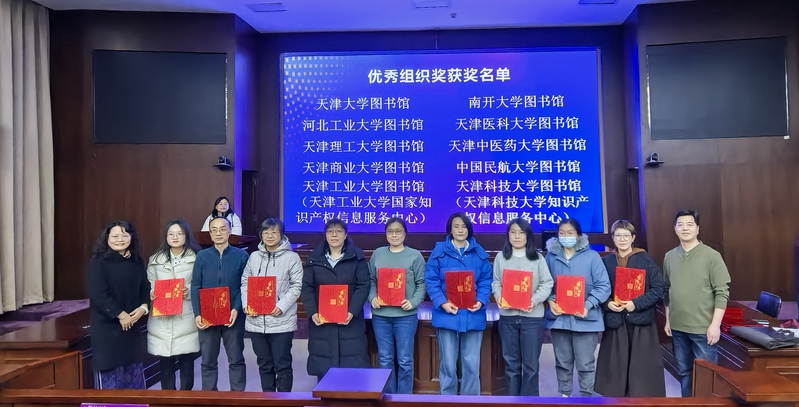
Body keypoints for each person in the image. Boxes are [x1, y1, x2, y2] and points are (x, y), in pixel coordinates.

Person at [663, 209, 731, 397]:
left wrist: (715, 325)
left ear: (697, 229)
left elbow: (722, 292)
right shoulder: (669, 257)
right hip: (678, 327)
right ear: (675, 229)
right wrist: (668, 320)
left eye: (689, 224)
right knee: (684, 372)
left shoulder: (712, 256)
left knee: (706, 376)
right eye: (681, 225)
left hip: (703, 328)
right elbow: (666, 290)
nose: (685, 228)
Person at [594, 220, 666, 397]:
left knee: (641, 368)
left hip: (640, 319)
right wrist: (607, 303)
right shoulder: (607, 261)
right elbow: (599, 288)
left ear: (633, 238)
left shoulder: (645, 259)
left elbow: (659, 288)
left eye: (626, 235)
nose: (622, 239)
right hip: (616, 320)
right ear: (613, 238)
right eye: (618, 235)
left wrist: (636, 304)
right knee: (614, 367)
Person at [424, 212, 492, 395]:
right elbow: (431, 280)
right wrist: (442, 303)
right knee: (447, 363)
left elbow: (486, 280)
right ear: (450, 230)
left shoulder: (479, 253)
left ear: (469, 229)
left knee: (471, 363)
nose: (460, 230)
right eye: (456, 226)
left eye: (464, 226)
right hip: (447, 314)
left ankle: (471, 401)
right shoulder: (439, 252)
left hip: (473, 314)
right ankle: (447, 400)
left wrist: (481, 300)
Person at [545, 218, 610, 397]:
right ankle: (565, 396)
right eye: (562, 233)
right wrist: (550, 300)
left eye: (570, 233)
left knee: (585, 363)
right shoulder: (551, 257)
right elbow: (545, 284)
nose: (566, 236)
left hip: (586, 320)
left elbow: (603, 286)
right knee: (562, 363)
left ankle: (586, 398)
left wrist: (587, 305)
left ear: (579, 235)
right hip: (560, 319)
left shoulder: (592, 257)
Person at [301, 218, 370, 380]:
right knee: (324, 365)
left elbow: (363, 285)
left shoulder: (356, 257)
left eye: (338, 231)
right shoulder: (314, 258)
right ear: (325, 235)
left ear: (345, 235)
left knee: (352, 366)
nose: (334, 235)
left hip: (350, 319)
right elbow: (307, 287)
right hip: (321, 320)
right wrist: (312, 312)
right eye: (330, 231)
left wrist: (352, 311)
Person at [491, 218, 554, 396]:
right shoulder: (501, 257)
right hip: (508, 317)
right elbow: (496, 282)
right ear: (508, 235)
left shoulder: (538, 258)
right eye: (513, 232)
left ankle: (530, 402)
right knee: (511, 364)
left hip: (532, 319)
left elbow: (547, 283)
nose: (517, 236)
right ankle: (512, 401)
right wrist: (499, 296)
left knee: (531, 365)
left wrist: (534, 300)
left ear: (528, 236)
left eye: (521, 233)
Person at [86, 221, 150, 389]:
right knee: (111, 386)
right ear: (107, 238)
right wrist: (121, 315)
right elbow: (99, 294)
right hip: (107, 329)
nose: (120, 239)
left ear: (131, 237)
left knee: (134, 380)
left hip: (132, 328)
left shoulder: (136, 261)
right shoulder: (99, 262)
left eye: (124, 235)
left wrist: (143, 308)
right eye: (115, 236)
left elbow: (145, 287)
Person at [241, 218, 303, 392]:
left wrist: (281, 306)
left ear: (281, 234)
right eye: (266, 232)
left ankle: (284, 402)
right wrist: (247, 304)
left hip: (281, 321)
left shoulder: (292, 257)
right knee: (264, 364)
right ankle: (268, 400)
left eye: (274, 232)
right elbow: (245, 282)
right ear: (261, 235)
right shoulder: (254, 257)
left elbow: (296, 285)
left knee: (282, 365)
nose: (269, 235)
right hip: (256, 321)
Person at [368, 217, 427, 394]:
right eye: (390, 231)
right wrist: (372, 297)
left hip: (405, 317)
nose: (394, 235)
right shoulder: (378, 254)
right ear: (386, 234)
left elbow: (422, 283)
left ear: (405, 233)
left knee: (405, 360)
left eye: (398, 231)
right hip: (381, 316)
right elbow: (370, 280)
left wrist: (413, 301)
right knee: (385, 359)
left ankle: (404, 399)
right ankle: (388, 397)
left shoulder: (414, 255)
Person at [190, 217, 249, 391]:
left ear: (229, 231)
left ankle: (237, 397)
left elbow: (244, 286)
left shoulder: (241, 256)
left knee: (236, 359)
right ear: (209, 233)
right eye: (214, 230)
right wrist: (198, 313)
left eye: (222, 229)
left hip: (233, 315)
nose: (218, 233)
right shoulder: (202, 256)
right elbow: (195, 285)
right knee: (208, 360)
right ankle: (209, 397)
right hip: (208, 315)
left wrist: (236, 309)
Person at [146, 219, 201, 390]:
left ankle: (186, 398)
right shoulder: (155, 259)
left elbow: (202, 284)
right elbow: (149, 282)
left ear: (186, 236)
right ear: (166, 237)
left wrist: (189, 291)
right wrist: (151, 292)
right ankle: (168, 398)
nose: (175, 237)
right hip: (162, 318)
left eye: (179, 234)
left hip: (185, 315)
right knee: (165, 363)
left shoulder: (196, 258)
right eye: (171, 234)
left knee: (186, 361)